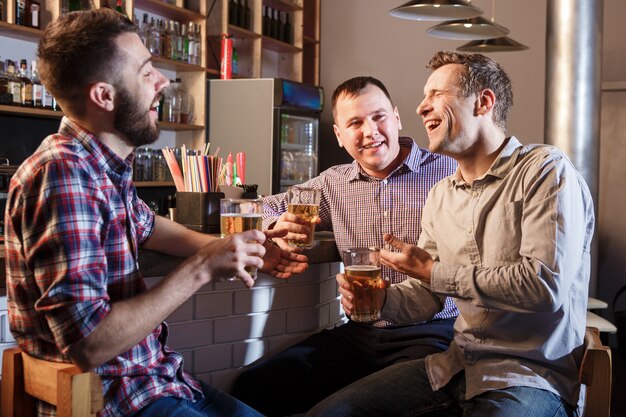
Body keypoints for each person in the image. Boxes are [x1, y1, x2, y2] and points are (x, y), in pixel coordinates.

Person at [3, 9, 308, 417]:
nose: (163, 81)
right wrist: (203, 266)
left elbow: (149, 227)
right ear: (104, 96)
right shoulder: (63, 173)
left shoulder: (101, 166)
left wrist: (234, 247)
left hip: (156, 380)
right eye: (147, 72)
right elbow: (89, 344)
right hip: (112, 400)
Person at [306, 51, 595, 417]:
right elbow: (427, 296)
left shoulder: (545, 171)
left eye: (436, 95)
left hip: (530, 378)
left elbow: (543, 287)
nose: (420, 108)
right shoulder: (442, 194)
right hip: (455, 367)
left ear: (484, 102)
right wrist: (382, 301)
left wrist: (432, 271)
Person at [232, 76, 458, 416]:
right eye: (355, 123)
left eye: (379, 116)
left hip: (432, 334)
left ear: (396, 118)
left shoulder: (449, 172)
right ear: (339, 135)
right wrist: (273, 225)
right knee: (254, 387)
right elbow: (259, 206)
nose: (370, 132)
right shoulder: (332, 183)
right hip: (359, 333)